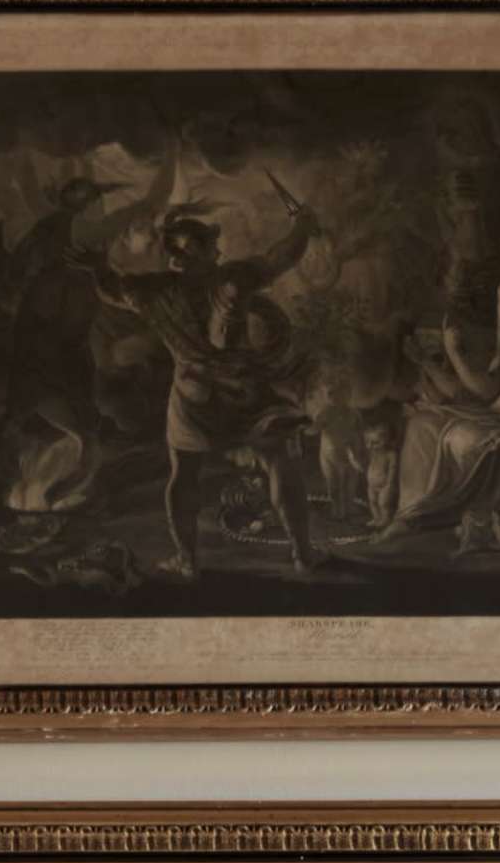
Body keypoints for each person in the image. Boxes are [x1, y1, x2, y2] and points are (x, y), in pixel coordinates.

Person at [90, 193, 326, 582]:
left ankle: (188, 562)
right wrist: (302, 222)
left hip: (193, 392)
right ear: (211, 253)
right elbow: (281, 256)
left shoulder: (153, 291)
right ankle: (302, 556)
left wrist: (97, 264)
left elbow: (110, 289)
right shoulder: (231, 281)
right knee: (276, 462)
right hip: (244, 388)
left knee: (185, 473)